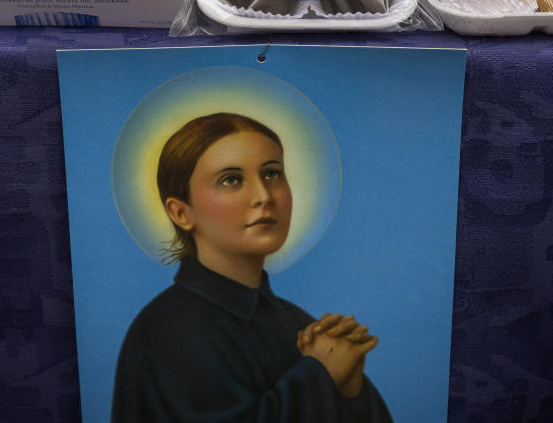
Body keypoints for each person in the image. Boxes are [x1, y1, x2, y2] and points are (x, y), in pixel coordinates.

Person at [112, 113, 393, 422]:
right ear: (181, 213)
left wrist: (350, 390)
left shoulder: (297, 323)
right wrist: (321, 375)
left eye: (272, 174)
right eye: (231, 180)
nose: (264, 196)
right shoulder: (166, 330)